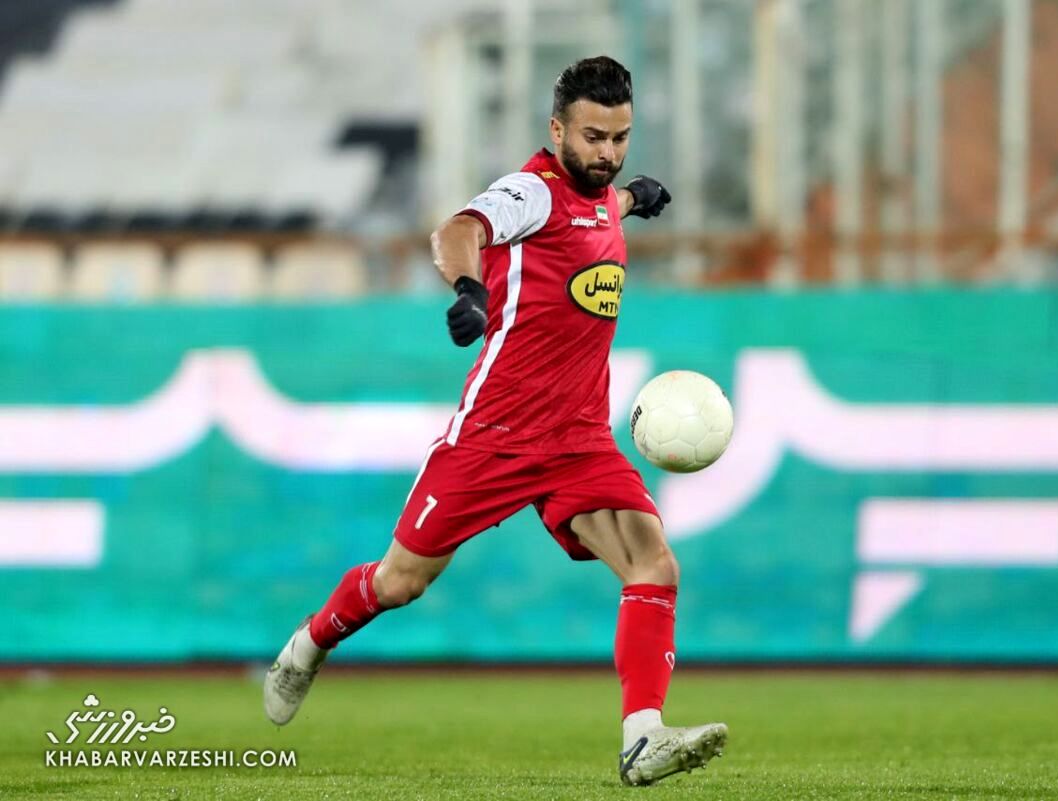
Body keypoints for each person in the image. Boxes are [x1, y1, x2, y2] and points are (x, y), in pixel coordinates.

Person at [263, 55, 727, 786]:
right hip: (493, 437)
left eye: (621, 138)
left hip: (578, 441)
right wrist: (469, 289)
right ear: (557, 130)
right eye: (593, 137)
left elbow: (601, 207)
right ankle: (308, 645)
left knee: (655, 565)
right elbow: (458, 230)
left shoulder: (602, 197)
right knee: (401, 582)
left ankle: (643, 737)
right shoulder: (529, 192)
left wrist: (634, 196)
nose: (608, 153)